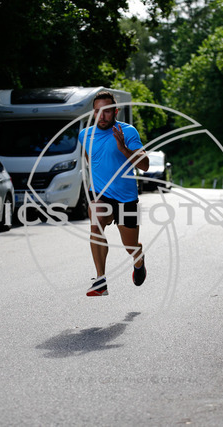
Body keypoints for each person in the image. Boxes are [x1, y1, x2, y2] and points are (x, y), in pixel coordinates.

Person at [80, 90, 149, 296]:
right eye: (97, 111)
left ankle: (138, 259)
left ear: (116, 111)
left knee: (130, 246)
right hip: (99, 194)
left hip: (127, 198)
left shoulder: (128, 132)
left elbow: (145, 165)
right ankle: (100, 281)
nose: (102, 116)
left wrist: (123, 149)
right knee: (96, 225)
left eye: (107, 111)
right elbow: (90, 159)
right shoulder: (85, 135)